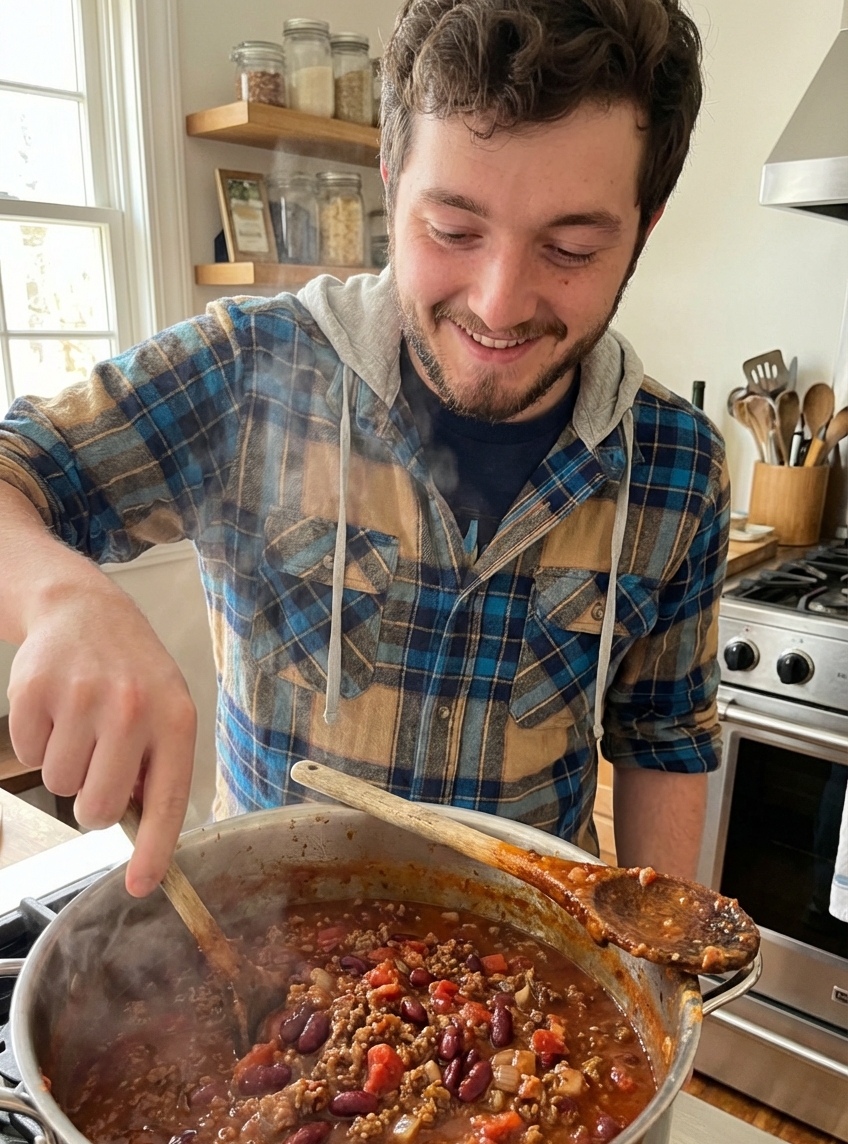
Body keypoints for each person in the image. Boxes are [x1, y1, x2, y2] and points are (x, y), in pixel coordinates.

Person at [0, 0, 727, 899]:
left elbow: (665, 740)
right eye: (453, 231)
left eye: (570, 247)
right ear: (391, 183)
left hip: (536, 989)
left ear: (644, 227)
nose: (499, 305)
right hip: (269, 955)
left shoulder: (678, 462)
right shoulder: (246, 365)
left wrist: (666, 963)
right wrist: (63, 597)